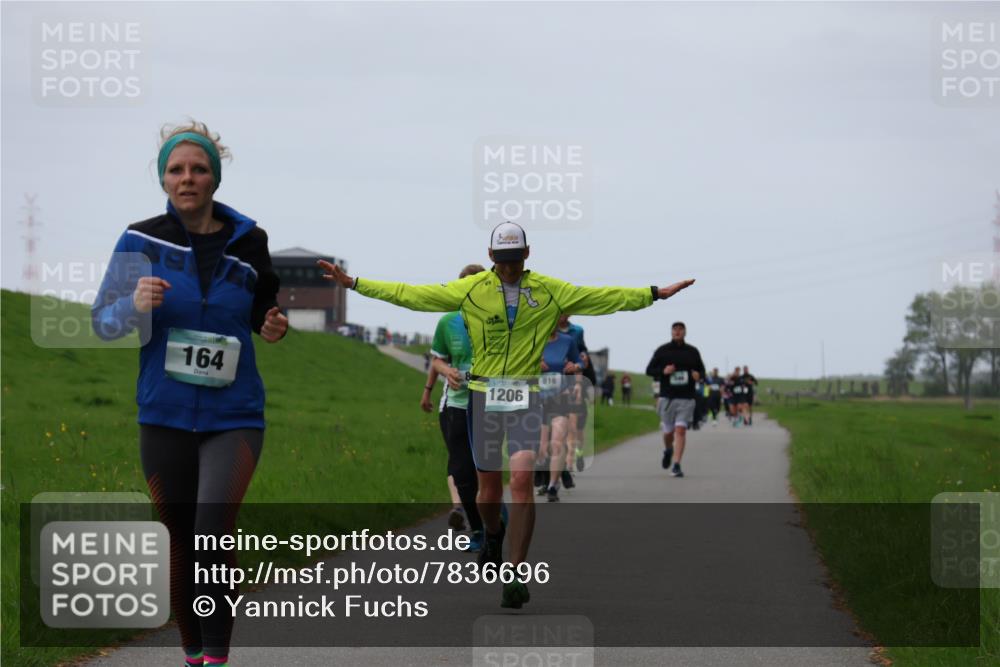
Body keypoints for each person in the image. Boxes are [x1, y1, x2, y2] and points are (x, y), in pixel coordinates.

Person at [318, 221, 694, 608]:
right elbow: (413, 295)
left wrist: (653, 294)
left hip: (527, 396)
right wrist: (355, 284)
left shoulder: (550, 290)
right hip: (483, 396)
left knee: (521, 481)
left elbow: (601, 297)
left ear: (527, 255)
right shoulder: (471, 290)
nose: (510, 267)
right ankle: (493, 533)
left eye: (515, 259)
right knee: (488, 492)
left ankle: (515, 573)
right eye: (503, 260)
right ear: (491, 257)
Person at [92, 121, 287, 667]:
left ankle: (219, 659)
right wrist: (131, 306)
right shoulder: (138, 240)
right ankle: (193, 655)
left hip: (235, 414)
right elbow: (101, 323)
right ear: (163, 179)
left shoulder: (250, 242)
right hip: (164, 414)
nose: (187, 178)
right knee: (179, 542)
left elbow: (261, 313)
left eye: (198, 169)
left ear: (214, 178)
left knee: (211, 535)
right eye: (176, 170)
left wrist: (273, 325)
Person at [424, 264, 488, 551]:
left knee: (484, 468)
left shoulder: (497, 320)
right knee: (461, 470)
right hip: (457, 403)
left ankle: (492, 520)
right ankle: (477, 529)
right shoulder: (448, 322)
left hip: (491, 403)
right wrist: (445, 370)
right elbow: (436, 358)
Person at [645, 322, 705, 478]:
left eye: (680, 330)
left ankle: (677, 464)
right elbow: (649, 370)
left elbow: (702, 371)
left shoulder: (692, 352)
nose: (677, 332)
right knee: (668, 432)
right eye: (675, 330)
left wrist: (699, 376)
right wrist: (663, 371)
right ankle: (668, 450)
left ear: (685, 332)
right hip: (667, 397)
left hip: (686, 397)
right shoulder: (663, 350)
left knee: (681, 430)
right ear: (671, 332)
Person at [419, 356, 468, 534]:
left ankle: (460, 508)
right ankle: (460, 509)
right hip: (453, 405)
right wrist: (427, 390)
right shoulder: (451, 329)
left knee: (459, 460)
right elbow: (437, 359)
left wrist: (427, 391)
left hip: (478, 404)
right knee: (459, 459)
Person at [535, 326, 582, 502]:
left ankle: (552, 486)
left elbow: (579, 362)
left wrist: (574, 366)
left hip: (560, 399)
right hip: (537, 399)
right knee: (541, 448)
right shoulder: (533, 338)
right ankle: (559, 471)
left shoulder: (567, 341)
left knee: (557, 442)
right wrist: (533, 364)